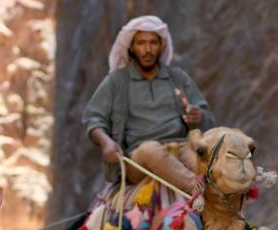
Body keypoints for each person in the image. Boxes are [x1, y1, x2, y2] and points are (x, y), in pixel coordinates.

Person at [83, 15, 215, 190]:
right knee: (150, 150)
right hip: (138, 157)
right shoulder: (117, 81)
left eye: (153, 43)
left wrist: (198, 116)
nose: (148, 50)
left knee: (209, 158)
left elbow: (208, 120)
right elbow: (92, 118)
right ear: (131, 48)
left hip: (181, 148)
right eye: (141, 43)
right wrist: (106, 142)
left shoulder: (178, 77)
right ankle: (202, 192)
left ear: (161, 46)